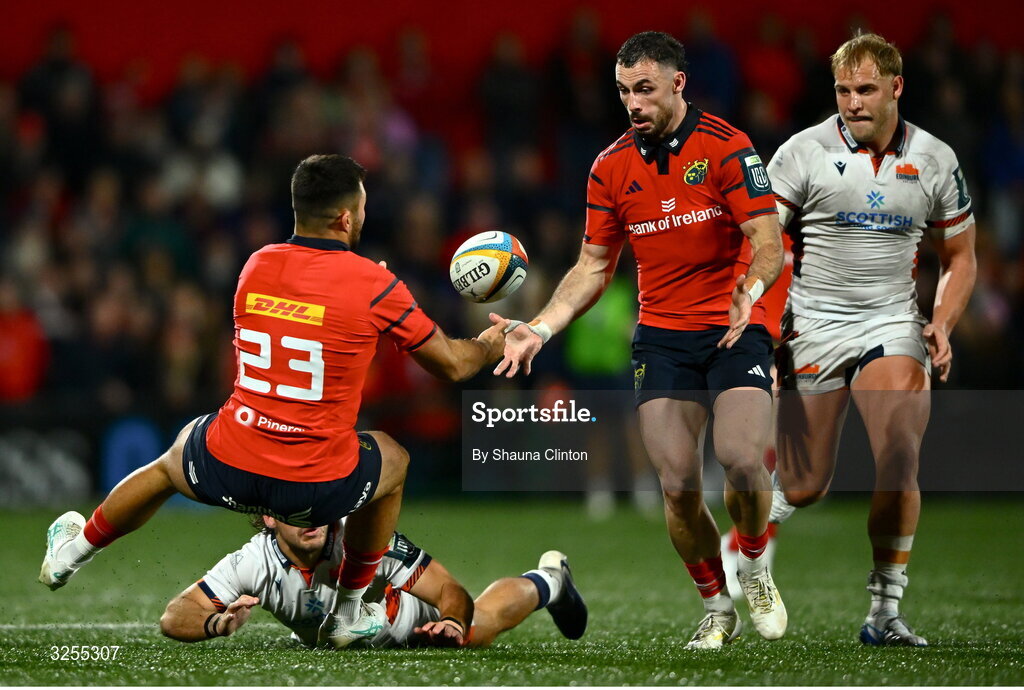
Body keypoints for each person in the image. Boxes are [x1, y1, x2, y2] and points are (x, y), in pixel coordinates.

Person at [39, 154, 507, 648]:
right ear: (346, 217)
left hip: (231, 463)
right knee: (393, 458)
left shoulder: (255, 265)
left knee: (171, 461)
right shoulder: (374, 284)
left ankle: (74, 551)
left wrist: (368, 293)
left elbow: (307, 312)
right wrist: (492, 344)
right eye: (363, 206)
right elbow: (453, 364)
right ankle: (349, 609)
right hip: (317, 485)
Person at [492, 31, 786, 649]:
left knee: (738, 457)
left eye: (645, 89)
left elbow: (767, 240)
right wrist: (540, 329)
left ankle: (754, 566)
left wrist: (751, 292)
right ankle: (716, 605)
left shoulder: (728, 148)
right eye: (624, 91)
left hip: (736, 326)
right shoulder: (609, 166)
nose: (633, 103)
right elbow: (593, 267)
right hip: (662, 338)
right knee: (677, 485)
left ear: (679, 83)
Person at [767, 33, 977, 647]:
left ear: (896, 88)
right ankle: (751, 536)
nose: (853, 102)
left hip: (892, 321)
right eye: (842, 90)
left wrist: (941, 322)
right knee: (805, 486)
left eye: (866, 89)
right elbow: (765, 246)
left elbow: (960, 256)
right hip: (813, 320)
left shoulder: (937, 159)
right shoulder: (801, 153)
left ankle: (884, 611)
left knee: (900, 454)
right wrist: (765, 327)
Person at [159, 516, 588, 649]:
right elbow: (175, 616)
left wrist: (454, 622)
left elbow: (448, 590)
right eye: (296, 508)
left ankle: (549, 579)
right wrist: (218, 623)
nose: (311, 517)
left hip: (400, 621)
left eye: (317, 501)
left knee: (477, 628)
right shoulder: (252, 561)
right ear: (269, 516)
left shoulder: (362, 539)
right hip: (331, 634)